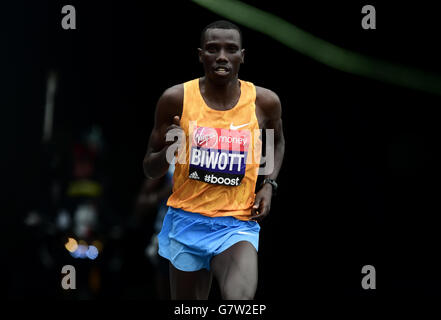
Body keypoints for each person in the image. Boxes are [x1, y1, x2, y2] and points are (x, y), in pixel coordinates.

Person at [143, 20, 285, 300]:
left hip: (236, 224)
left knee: (240, 301)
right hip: (186, 222)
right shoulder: (176, 99)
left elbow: (276, 141)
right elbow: (149, 168)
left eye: (230, 49)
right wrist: (169, 151)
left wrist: (269, 184)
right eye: (213, 49)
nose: (221, 56)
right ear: (200, 55)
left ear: (242, 56)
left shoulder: (264, 103)